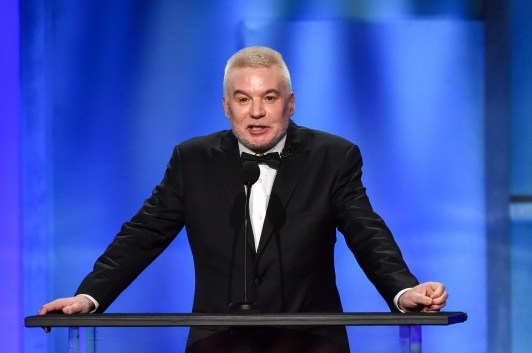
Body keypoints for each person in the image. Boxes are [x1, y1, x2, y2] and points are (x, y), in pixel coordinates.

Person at [39, 46, 448, 352]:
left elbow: (366, 232)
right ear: (226, 107)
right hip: (219, 343)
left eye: (269, 98)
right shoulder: (192, 160)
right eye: (243, 99)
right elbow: (143, 234)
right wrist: (89, 296)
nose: (256, 112)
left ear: (289, 104)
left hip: (307, 343)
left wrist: (402, 291)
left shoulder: (332, 156)